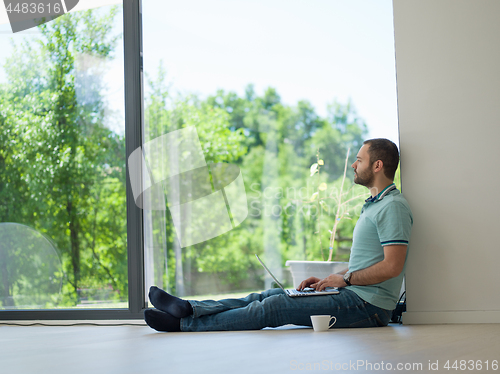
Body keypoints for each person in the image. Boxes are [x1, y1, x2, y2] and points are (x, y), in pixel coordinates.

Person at [144, 138, 413, 332]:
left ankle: (184, 324)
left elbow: (392, 266)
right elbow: (367, 263)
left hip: (369, 308)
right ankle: (189, 307)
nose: (354, 165)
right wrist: (331, 280)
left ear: (377, 166)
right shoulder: (374, 205)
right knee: (263, 296)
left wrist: (346, 279)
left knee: (273, 308)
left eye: (359, 160)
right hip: (355, 295)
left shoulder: (393, 207)